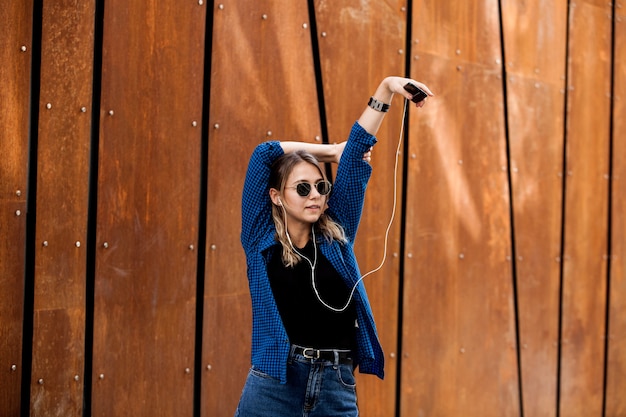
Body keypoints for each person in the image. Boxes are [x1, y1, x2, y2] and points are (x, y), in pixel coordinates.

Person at [235, 76, 433, 417]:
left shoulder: (335, 235)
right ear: (276, 197)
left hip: (334, 386)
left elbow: (356, 157)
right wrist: (330, 152)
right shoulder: (260, 240)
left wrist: (386, 88)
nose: (315, 195)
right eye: (302, 188)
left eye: (320, 186)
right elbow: (264, 153)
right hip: (275, 384)